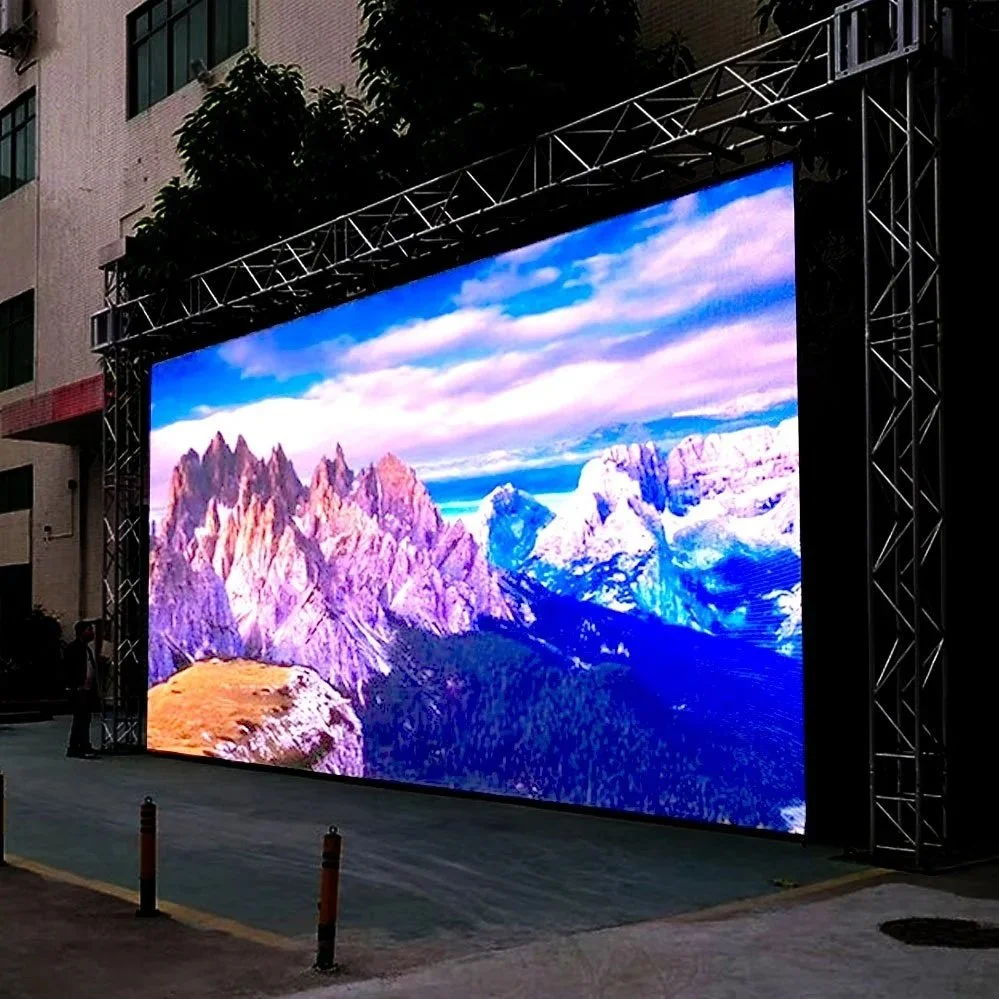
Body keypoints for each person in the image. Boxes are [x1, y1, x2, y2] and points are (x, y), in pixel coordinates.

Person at [65, 620, 99, 759]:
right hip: (79, 689)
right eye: (89, 630)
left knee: (85, 719)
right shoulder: (73, 648)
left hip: (87, 689)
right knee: (79, 719)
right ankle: (74, 747)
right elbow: (68, 669)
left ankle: (84, 744)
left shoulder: (86, 649)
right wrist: (74, 685)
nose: (92, 633)